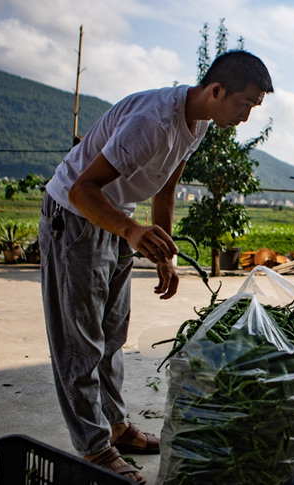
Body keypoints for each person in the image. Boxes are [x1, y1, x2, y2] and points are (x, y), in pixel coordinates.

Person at [38, 50, 273, 483]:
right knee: (80, 341)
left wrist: (165, 253)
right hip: (76, 216)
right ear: (217, 90)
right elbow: (81, 190)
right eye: (245, 104)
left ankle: (116, 427)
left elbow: (166, 190)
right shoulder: (152, 121)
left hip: (116, 216)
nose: (245, 117)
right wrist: (130, 230)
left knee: (112, 334)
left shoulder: (197, 124)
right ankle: (93, 449)